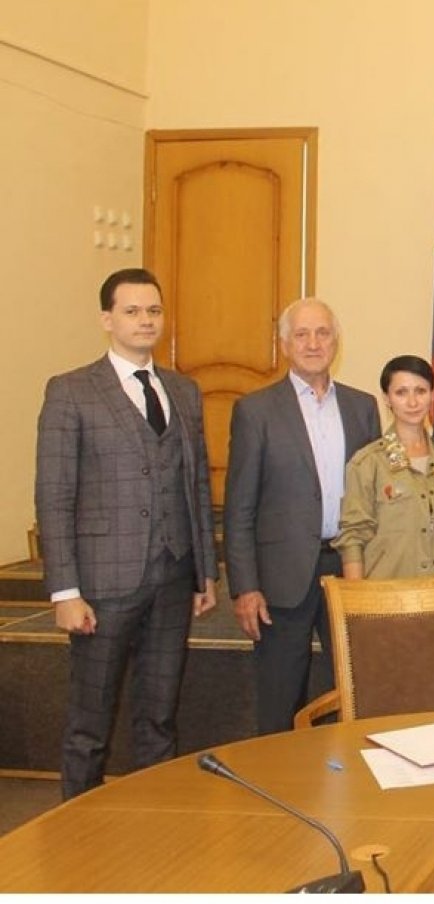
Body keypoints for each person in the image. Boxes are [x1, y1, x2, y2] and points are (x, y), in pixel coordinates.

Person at [35, 268, 218, 798]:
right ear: (107, 319)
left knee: (158, 717)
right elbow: (54, 496)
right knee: (89, 724)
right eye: (132, 311)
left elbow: (196, 485)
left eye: (153, 311)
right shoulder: (71, 391)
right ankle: (76, 827)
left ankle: (150, 822)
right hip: (102, 585)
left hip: (173, 577)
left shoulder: (184, 390)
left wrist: (204, 572)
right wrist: (64, 592)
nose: (145, 321)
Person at [223, 299, 380, 734]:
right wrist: (245, 587)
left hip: (349, 570)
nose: (313, 343)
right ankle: (276, 776)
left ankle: (344, 775)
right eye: (302, 334)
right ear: (285, 344)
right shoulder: (256, 411)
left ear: (336, 341)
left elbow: (374, 500)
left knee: (354, 693)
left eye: (323, 333)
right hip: (281, 578)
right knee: (280, 700)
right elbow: (239, 507)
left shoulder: (362, 407)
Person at [333, 357, 434, 603]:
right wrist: (357, 606)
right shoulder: (368, 464)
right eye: (401, 392)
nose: (412, 402)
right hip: (387, 605)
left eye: (420, 391)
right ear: (387, 399)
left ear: (433, 395)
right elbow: (353, 539)